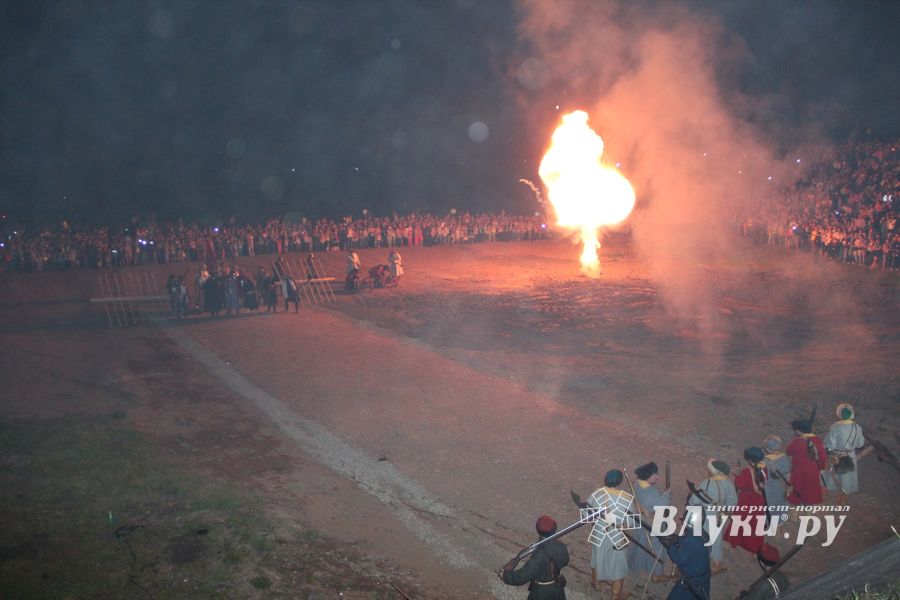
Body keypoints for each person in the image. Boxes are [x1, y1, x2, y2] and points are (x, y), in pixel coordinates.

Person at [497, 515, 569, 599]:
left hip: (542, 593)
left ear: (538, 531)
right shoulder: (560, 545)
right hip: (557, 588)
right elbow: (565, 561)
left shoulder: (540, 554)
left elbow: (521, 577)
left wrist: (505, 576)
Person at [587, 469, 633, 600]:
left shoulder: (597, 493)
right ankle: (615, 595)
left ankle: (596, 583)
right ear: (619, 482)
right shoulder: (626, 498)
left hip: (599, 533)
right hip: (616, 536)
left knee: (597, 557)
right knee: (618, 565)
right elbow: (629, 522)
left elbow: (587, 515)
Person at [687, 459, 737, 576]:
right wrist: (724, 510)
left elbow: (695, 499)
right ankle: (716, 564)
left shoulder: (707, 483)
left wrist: (690, 500)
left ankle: (700, 561)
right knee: (716, 540)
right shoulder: (728, 483)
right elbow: (733, 500)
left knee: (702, 537)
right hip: (719, 516)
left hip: (706, 516)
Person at [628, 462, 671, 583]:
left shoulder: (637, 485)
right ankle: (658, 574)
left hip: (641, 520)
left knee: (641, 543)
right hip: (653, 522)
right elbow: (662, 504)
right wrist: (667, 494)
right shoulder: (650, 493)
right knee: (657, 548)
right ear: (648, 476)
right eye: (654, 475)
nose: (657, 477)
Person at [724, 447, 768, 556]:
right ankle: (754, 547)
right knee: (755, 523)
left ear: (749, 459)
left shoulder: (746, 471)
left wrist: (736, 475)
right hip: (758, 501)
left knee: (739, 520)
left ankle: (733, 541)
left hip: (746, 500)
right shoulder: (764, 468)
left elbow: (741, 485)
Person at [823, 403, 865, 505]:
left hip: (835, 455)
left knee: (829, 476)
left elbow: (829, 444)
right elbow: (860, 444)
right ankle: (842, 500)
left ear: (839, 414)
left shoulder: (835, 427)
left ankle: (823, 495)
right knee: (847, 480)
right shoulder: (857, 427)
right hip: (850, 455)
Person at [786, 419, 828, 505]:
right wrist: (820, 468)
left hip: (798, 471)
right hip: (812, 470)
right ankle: (807, 515)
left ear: (798, 430)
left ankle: (794, 516)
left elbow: (788, 451)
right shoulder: (818, 440)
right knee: (810, 495)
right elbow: (823, 458)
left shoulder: (797, 441)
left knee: (796, 495)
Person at [664, 532, 710, 600]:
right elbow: (689, 540)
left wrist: (670, 547)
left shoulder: (691, 540)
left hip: (693, 580)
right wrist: (678, 539)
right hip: (703, 575)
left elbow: (679, 559)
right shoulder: (703, 534)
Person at [762, 436, 791, 525]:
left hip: (769, 488)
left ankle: (768, 521)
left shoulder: (764, 461)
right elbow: (788, 473)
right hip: (781, 485)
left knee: (770, 505)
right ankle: (779, 522)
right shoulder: (785, 457)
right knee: (780, 504)